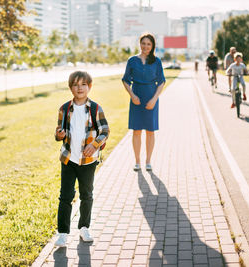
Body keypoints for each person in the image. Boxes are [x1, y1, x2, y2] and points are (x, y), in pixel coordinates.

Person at [53, 71, 110, 247]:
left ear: (89, 87)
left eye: (83, 84)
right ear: (71, 88)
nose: (80, 88)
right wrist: (58, 134)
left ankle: (84, 228)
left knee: (87, 194)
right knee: (66, 196)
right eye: (76, 85)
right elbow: (59, 134)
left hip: (88, 160)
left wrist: (94, 144)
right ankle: (62, 233)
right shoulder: (64, 109)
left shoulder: (95, 108)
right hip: (69, 159)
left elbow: (105, 131)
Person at [121, 33, 166, 172]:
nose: (145, 46)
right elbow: (125, 80)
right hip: (136, 98)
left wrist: (154, 99)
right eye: (143, 43)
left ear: (152, 46)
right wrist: (132, 95)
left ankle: (148, 161)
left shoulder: (156, 61)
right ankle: (137, 161)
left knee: (151, 131)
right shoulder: (132, 60)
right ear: (140, 44)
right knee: (136, 131)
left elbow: (162, 81)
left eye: (148, 44)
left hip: (151, 98)